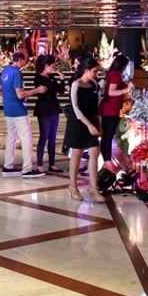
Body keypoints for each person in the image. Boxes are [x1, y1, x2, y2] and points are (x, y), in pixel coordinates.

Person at [0, 51, 47, 178]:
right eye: (25, 60)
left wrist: (9, 98)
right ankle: (27, 169)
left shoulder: (5, 71)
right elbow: (20, 94)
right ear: (20, 60)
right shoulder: (16, 73)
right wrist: (37, 90)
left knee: (11, 138)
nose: (26, 62)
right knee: (26, 139)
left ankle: (7, 166)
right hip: (19, 111)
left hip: (8, 110)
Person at [66, 56, 103, 202]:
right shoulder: (76, 84)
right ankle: (73, 186)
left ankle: (93, 187)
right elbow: (75, 108)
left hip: (92, 121)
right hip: (78, 123)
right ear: (86, 70)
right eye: (95, 71)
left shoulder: (94, 85)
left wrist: (98, 125)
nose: (96, 74)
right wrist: (89, 125)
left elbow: (96, 107)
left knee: (95, 151)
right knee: (77, 152)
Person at [99, 54, 134, 168]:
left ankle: (107, 159)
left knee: (108, 136)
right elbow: (111, 92)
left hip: (110, 108)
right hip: (110, 109)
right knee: (107, 136)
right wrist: (126, 89)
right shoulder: (115, 75)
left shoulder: (113, 74)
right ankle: (107, 160)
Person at [33, 55, 67, 173]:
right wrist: (52, 88)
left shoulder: (51, 76)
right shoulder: (38, 78)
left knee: (53, 137)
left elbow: (60, 90)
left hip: (53, 108)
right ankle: (40, 164)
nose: (53, 68)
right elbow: (44, 91)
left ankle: (52, 163)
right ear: (46, 66)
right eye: (52, 66)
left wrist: (62, 79)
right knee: (44, 136)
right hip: (44, 109)